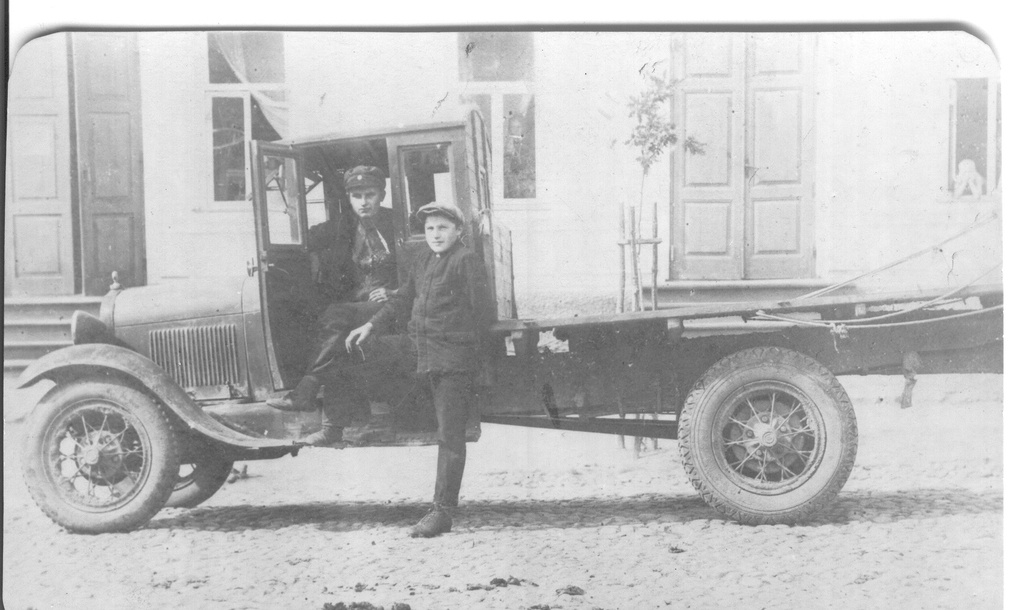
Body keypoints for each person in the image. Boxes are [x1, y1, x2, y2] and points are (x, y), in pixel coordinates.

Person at [338, 201, 494, 537]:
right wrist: (370, 326)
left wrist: (466, 355)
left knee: (450, 436)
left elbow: (482, 314)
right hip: (421, 352)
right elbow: (402, 298)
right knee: (362, 354)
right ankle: (355, 421)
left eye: (443, 228)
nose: (436, 234)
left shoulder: (466, 261)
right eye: (429, 228)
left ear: (458, 231)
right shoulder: (423, 259)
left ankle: (442, 512)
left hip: (452, 359)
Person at [268, 165, 397, 417]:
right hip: (354, 303)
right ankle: (332, 410)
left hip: (389, 303)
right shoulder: (341, 226)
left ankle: (305, 392)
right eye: (357, 196)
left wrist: (394, 291)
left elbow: (419, 269)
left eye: (370, 195)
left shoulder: (398, 224)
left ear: (382, 195)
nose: (363, 202)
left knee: (336, 316)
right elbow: (303, 240)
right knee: (317, 315)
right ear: (349, 198)